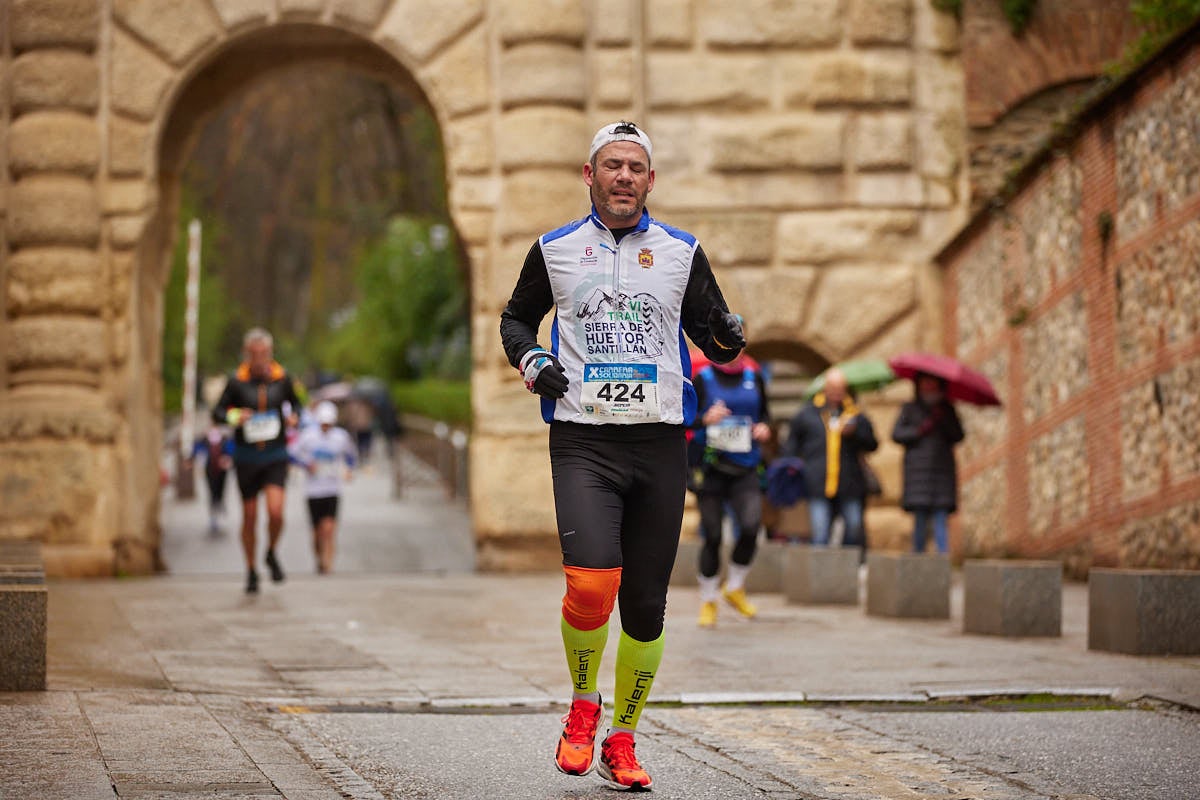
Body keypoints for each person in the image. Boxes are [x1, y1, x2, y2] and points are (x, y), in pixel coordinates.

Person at [500, 120, 745, 791]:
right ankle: (583, 706)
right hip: (584, 437)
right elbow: (515, 319)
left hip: (661, 441)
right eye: (612, 165)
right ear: (590, 175)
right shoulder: (554, 250)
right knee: (590, 584)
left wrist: (727, 337)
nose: (624, 177)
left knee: (645, 603)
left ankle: (623, 739)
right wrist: (533, 358)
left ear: (650, 180)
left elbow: (715, 339)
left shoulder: (680, 252)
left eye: (636, 167)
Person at [690, 330, 772, 627]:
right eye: (724, 344)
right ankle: (708, 599)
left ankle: (734, 586)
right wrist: (705, 419)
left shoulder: (756, 377)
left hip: (746, 467)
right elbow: (685, 417)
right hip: (711, 468)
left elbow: (766, 415)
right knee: (712, 535)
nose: (731, 350)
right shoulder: (703, 379)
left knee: (750, 527)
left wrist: (764, 429)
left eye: (736, 344)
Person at [212, 328, 301, 594]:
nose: (260, 358)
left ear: (270, 353)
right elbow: (218, 412)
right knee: (250, 516)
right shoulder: (236, 381)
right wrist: (236, 416)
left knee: (276, 511)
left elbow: (297, 405)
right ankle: (251, 569)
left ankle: (271, 551)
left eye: (264, 353)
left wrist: (294, 417)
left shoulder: (283, 379)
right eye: (254, 354)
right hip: (247, 456)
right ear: (247, 354)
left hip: (275, 454)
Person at [782, 368, 878, 548]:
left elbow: (872, 444)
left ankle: (847, 569)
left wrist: (855, 433)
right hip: (817, 481)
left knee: (854, 528)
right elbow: (791, 445)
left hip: (849, 482)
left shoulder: (855, 415)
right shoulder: (807, 413)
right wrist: (796, 468)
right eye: (833, 388)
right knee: (820, 533)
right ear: (825, 388)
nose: (836, 393)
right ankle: (820, 574)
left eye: (840, 389)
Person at [891, 373, 965, 554]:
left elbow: (958, 435)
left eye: (932, 383)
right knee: (920, 520)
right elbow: (896, 434)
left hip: (942, 472)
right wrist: (919, 430)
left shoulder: (947, 410)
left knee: (941, 518)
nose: (929, 387)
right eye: (925, 383)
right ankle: (918, 559)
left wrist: (943, 419)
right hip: (918, 474)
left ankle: (942, 560)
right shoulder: (910, 408)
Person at [289, 401, 357, 573]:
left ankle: (328, 563)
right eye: (323, 423)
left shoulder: (341, 437)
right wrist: (306, 465)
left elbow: (351, 455)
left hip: (332, 489)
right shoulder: (308, 436)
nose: (326, 426)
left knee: (329, 529)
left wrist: (349, 470)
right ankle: (319, 559)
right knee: (316, 533)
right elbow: (291, 453)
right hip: (313, 491)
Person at [194, 424, 234, 536]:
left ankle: (219, 507)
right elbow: (197, 449)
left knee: (220, 491)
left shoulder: (225, 438)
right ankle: (213, 517)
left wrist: (227, 458)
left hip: (222, 470)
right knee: (212, 493)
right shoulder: (205, 438)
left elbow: (230, 449)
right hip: (210, 470)